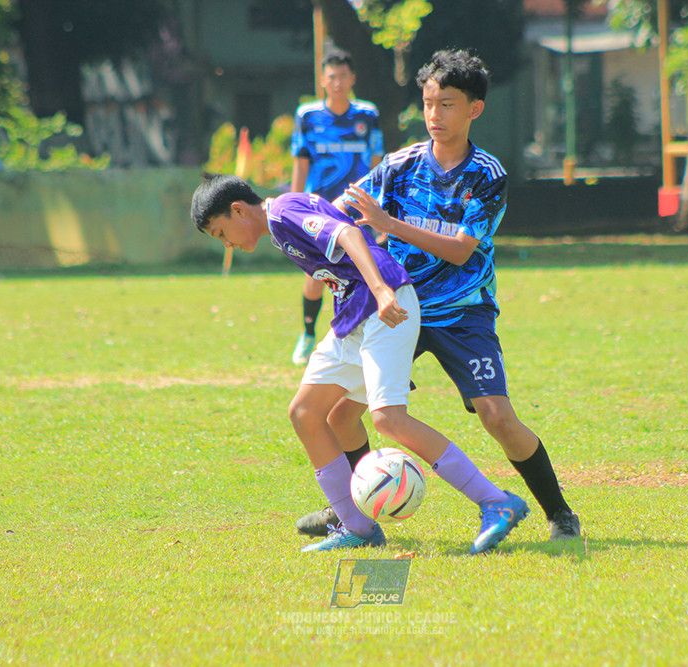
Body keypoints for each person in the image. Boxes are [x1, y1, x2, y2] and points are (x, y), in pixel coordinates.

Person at [295, 49, 582, 542]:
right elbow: (342, 210)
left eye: (446, 104)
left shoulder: (487, 175)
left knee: (497, 416)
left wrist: (389, 225)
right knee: (341, 415)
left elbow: (460, 250)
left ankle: (560, 514)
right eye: (428, 103)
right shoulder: (399, 164)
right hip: (398, 307)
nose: (434, 115)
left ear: (475, 108)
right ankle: (358, 505)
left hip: (462, 312)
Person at [191, 174, 529, 554]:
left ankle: (494, 500)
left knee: (389, 419)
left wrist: (383, 290)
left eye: (222, 233)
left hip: (384, 309)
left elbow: (349, 237)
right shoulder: (280, 225)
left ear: (238, 210)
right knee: (309, 413)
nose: (228, 244)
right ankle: (357, 526)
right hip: (353, 319)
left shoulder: (284, 212)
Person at [289, 49, 384, 366]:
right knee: (317, 271)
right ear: (322, 80)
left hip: (358, 205)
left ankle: (355, 335)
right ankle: (306, 334)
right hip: (318, 208)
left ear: (352, 78)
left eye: (343, 76)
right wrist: (292, 205)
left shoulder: (367, 115)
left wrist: (380, 204)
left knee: (362, 268)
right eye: (332, 76)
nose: (338, 82)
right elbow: (300, 163)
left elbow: (376, 162)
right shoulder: (307, 116)